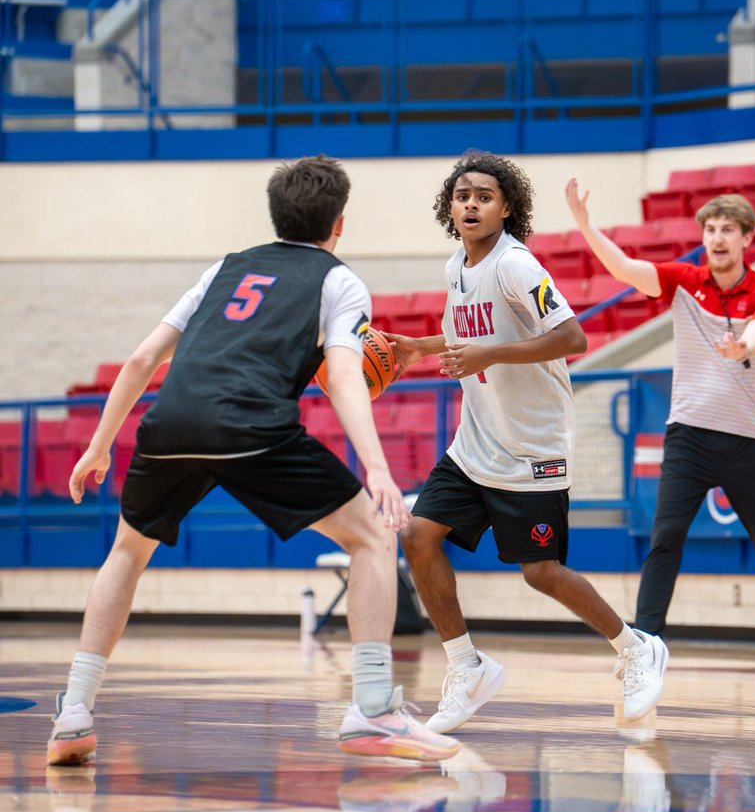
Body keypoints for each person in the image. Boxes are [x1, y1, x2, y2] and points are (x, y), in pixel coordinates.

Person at [46, 156, 460, 767]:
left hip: (171, 422)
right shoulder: (338, 281)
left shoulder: (225, 268)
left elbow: (142, 360)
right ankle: (372, 709)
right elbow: (345, 373)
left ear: (275, 214)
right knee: (373, 537)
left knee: (127, 552)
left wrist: (100, 444)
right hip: (249, 423)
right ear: (338, 224)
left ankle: (74, 712)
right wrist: (376, 467)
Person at [384, 152, 669, 734]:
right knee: (417, 536)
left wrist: (488, 353)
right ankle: (468, 665)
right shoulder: (456, 268)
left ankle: (635, 647)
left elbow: (573, 336)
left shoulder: (517, 266)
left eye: (484, 196)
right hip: (476, 440)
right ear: (449, 205)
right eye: (462, 195)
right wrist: (419, 347)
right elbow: (470, 334)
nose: (471, 204)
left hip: (532, 447)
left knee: (540, 572)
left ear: (506, 208)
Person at [564, 183, 755, 694]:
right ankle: (647, 648)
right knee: (665, 540)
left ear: (747, 238)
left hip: (749, 441)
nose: (717, 237)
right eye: (710, 229)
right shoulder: (685, 281)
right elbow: (624, 270)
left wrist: (740, 345)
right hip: (689, 437)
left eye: (728, 229)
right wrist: (585, 224)